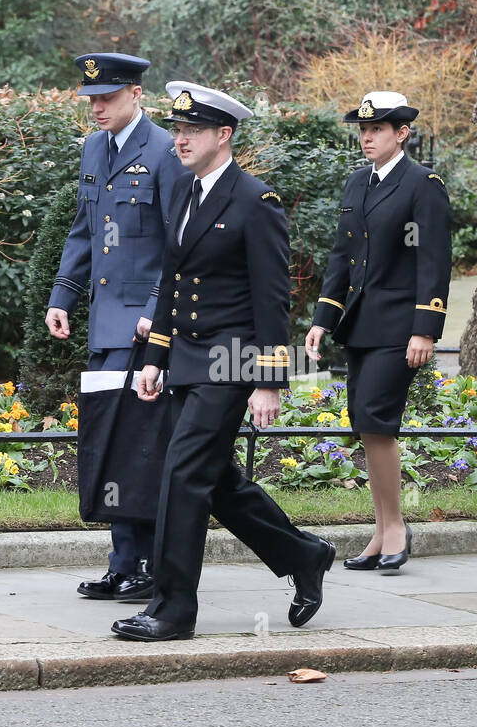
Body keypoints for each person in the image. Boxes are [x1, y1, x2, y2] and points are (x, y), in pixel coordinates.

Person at [111, 82, 335, 641]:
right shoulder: (186, 192)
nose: (180, 139)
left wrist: (268, 380)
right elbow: (174, 282)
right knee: (215, 481)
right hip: (186, 355)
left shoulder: (256, 201)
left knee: (183, 474)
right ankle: (304, 555)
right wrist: (154, 355)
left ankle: (171, 609)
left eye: (192, 132)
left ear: (223, 135)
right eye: (178, 130)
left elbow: (272, 298)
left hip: (231, 358)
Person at [46, 53, 183, 602]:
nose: (97, 108)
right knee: (110, 443)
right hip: (105, 324)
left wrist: (158, 309)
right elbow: (84, 231)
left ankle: (145, 563)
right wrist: (64, 296)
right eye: (91, 99)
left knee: (138, 446)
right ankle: (123, 561)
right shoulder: (94, 148)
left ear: (135, 94)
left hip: (144, 326)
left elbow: (179, 244)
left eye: (106, 97)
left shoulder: (167, 152)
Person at [305, 91, 451, 573]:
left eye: (378, 130)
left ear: (401, 133)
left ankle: (394, 529)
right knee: (364, 424)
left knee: (376, 420)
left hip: (400, 327)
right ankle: (382, 527)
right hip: (362, 326)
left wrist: (426, 329)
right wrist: (324, 318)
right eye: (363, 130)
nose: (367, 137)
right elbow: (341, 258)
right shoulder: (356, 184)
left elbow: (434, 260)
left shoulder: (422, 184)